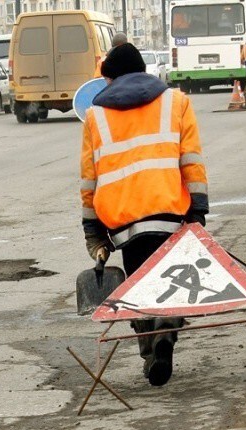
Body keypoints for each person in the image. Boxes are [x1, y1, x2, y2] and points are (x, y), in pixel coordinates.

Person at [80, 43, 209, 386]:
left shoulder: (96, 115)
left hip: (123, 222)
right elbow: (191, 160)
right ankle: (165, 333)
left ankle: (150, 348)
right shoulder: (176, 101)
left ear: (112, 77)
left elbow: (89, 177)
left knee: (139, 284)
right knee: (173, 279)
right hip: (170, 214)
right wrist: (197, 210)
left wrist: (91, 227)